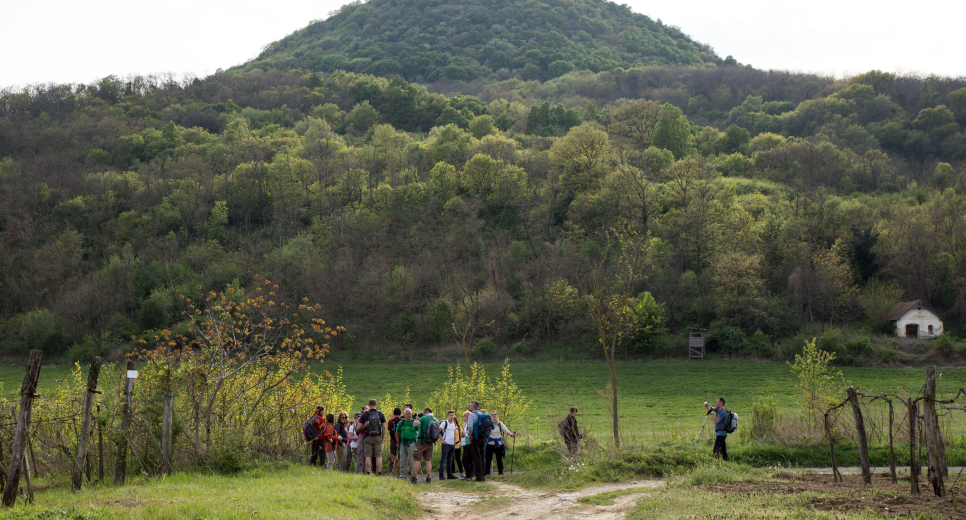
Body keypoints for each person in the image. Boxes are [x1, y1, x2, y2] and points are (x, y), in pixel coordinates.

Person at [359, 399, 387, 475]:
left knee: (368, 456)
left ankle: (368, 472)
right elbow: (384, 427)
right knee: (378, 456)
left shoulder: (364, 414)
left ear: (368, 405)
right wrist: (382, 438)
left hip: (368, 437)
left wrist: (358, 430)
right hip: (377, 437)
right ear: (376, 405)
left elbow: (359, 427)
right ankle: (379, 473)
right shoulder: (380, 414)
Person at [484, 410, 516, 476]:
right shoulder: (489, 423)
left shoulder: (500, 424)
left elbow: (505, 430)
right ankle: (487, 473)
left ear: (497, 416)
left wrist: (511, 435)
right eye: (493, 415)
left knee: (499, 459)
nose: (494, 416)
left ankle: (500, 473)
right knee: (488, 459)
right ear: (491, 416)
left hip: (498, 444)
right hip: (490, 443)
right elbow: (485, 431)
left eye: (495, 414)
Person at [395, 408, 419, 483]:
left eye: (410, 413)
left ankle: (413, 476)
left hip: (412, 443)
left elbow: (419, 431)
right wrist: (398, 441)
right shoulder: (401, 423)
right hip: (402, 443)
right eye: (408, 414)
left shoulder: (414, 422)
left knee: (412, 461)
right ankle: (403, 477)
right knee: (402, 461)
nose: (409, 415)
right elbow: (397, 432)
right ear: (404, 414)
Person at [413, 407, 436, 483]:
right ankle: (429, 478)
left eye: (423, 412)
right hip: (430, 443)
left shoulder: (424, 418)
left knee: (417, 460)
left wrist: (416, 418)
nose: (422, 413)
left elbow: (414, 424)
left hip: (420, 442)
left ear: (426, 411)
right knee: (428, 461)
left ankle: (415, 478)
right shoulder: (435, 420)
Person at [465, 400, 486, 482]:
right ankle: (483, 476)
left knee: (476, 458)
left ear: (473, 407)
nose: (469, 406)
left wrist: (470, 436)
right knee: (481, 457)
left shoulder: (472, 415)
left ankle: (478, 477)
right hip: (482, 438)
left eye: (470, 405)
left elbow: (470, 427)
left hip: (475, 438)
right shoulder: (481, 414)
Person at [438, 410, 459, 480]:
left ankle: (449, 474)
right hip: (446, 444)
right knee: (443, 460)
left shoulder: (454, 424)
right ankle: (441, 475)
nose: (451, 417)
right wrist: (442, 440)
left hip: (452, 444)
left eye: (453, 415)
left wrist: (454, 441)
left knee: (450, 460)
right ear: (448, 416)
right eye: (450, 415)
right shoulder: (444, 423)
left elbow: (454, 434)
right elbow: (438, 432)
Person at [386, 407, 402, 477]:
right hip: (401, 441)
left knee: (392, 457)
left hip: (393, 441)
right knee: (401, 457)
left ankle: (390, 472)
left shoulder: (390, 421)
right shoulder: (402, 421)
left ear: (394, 413)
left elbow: (389, 429)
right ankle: (401, 472)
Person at [460, 410, 474, 480]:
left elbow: (470, 435)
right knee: (468, 460)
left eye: (464, 416)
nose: (463, 417)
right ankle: (469, 475)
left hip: (469, 444)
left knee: (465, 460)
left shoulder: (469, 425)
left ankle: (469, 475)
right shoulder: (465, 424)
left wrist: (464, 434)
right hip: (466, 444)